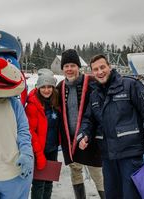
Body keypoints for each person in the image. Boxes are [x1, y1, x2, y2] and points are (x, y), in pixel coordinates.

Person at [78, 54, 144, 199]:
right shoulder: (95, 94)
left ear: (109, 67)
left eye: (102, 67)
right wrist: (83, 134)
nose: (100, 72)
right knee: (112, 195)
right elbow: (88, 120)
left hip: (130, 155)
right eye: (95, 69)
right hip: (108, 156)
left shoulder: (130, 85)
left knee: (132, 195)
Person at [57, 49, 104, 199]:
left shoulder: (92, 83)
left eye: (72, 65)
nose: (69, 69)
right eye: (66, 66)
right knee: (75, 172)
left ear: (78, 67)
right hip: (70, 140)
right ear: (62, 68)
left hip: (91, 138)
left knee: (98, 174)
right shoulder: (60, 87)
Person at [25, 69, 60, 199]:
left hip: (53, 148)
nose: (46, 90)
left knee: (49, 181)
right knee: (39, 183)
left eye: (49, 87)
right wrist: (39, 153)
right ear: (38, 88)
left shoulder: (55, 102)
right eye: (43, 87)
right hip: (39, 150)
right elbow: (30, 131)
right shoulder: (33, 106)